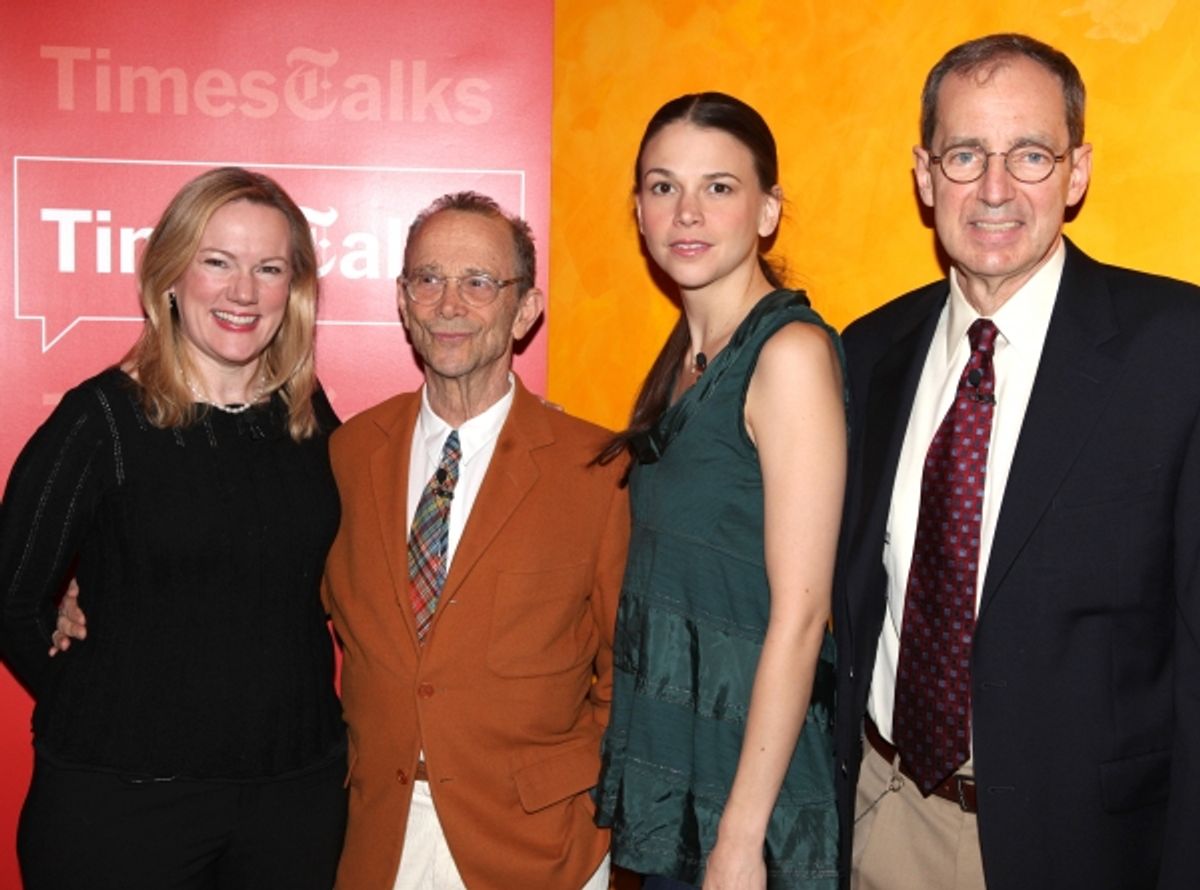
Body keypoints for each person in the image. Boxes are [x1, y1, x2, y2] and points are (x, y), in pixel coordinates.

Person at [835, 33, 1200, 890]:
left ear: (1077, 173)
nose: (995, 189)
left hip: (1090, 847)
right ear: (925, 176)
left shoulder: (1177, 352)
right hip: (883, 814)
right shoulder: (869, 351)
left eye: (1030, 154)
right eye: (965, 155)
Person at [0, 167, 347, 889]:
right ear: (169, 273)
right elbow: (11, 600)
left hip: (294, 804)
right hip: (121, 809)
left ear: (295, 289)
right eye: (217, 262)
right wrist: (99, 699)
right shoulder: (100, 420)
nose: (243, 292)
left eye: (268, 268)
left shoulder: (310, 421)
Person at [321, 191, 628, 890]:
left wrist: (588, 806)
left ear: (525, 310)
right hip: (377, 835)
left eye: (479, 282)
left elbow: (628, 671)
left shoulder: (598, 470)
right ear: (403, 302)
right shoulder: (348, 454)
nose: (448, 304)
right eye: (428, 279)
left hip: (542, 846)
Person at [594, 92, 847, 889]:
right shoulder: (684, 358)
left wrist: (740, 837)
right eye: (663, 186)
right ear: (639, 210)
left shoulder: (787, 355)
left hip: (750, 792)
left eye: (720, 186)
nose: (687, 213)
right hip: (682, 764)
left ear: (768, 210)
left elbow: (801, 617)